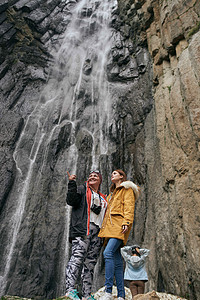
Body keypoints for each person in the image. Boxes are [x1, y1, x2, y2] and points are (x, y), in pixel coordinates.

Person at [98, 169, 140, 300]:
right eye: (111, 174)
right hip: (109, 229)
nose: (112, 175)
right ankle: (121, 294)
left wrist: (127, 222)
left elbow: (129, 207)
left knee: (107, 253)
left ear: (122, 177)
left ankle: (108, 291)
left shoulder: (127, 189)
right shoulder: (111, 195)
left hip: (118, 227)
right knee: (116, 261)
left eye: (115, 173)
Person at [65, 170, 107, 300]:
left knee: (90, 264)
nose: (92, 177)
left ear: (100, 180)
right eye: (90, 176)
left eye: (95, 176)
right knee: (77, 258)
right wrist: (71, 183)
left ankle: (86, 295)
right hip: (83, 229)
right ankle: (70, 290)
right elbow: (71, 200)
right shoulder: (82, 189)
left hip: (98, 234)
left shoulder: (103, 197)